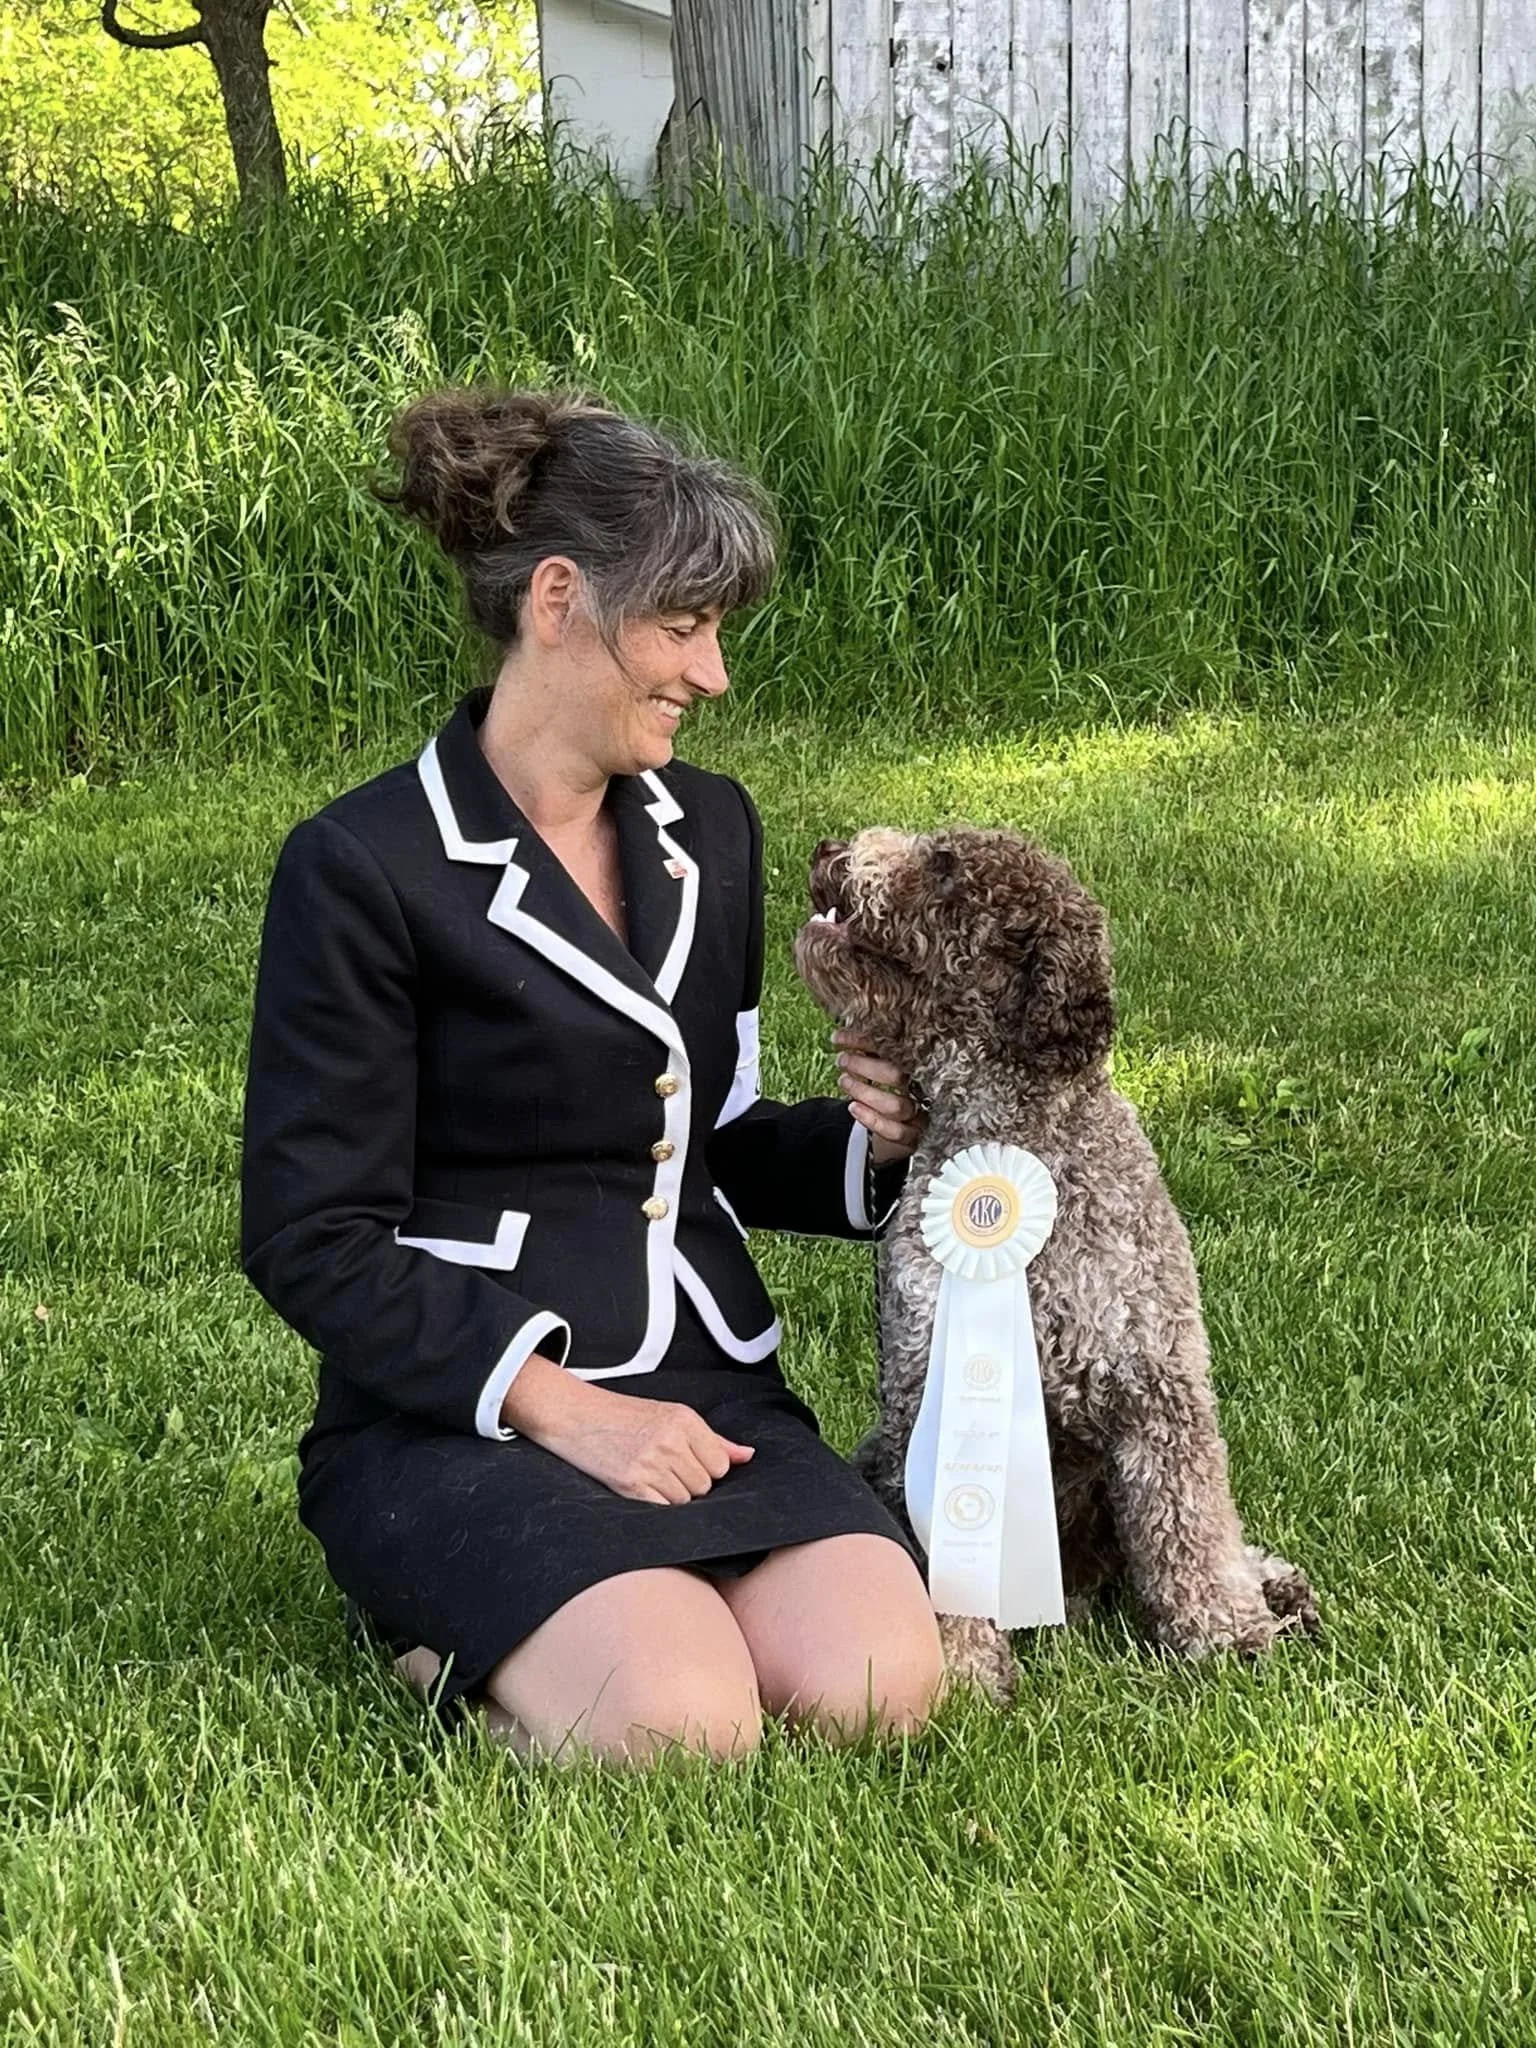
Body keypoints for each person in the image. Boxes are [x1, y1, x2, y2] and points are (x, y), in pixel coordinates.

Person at [240, 385, 947, 1769]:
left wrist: (884, 1150)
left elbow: (721, 1130)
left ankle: (614, 1614)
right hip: (466, 1409)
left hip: (704, 1384)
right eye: (684, 628)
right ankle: (439, 1639)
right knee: (684, 1729)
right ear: (559, 600)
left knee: (879, 1684)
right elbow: (309, 1235)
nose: (715, 673)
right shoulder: (361, 867)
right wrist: (569, 1413)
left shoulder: (714, 828)